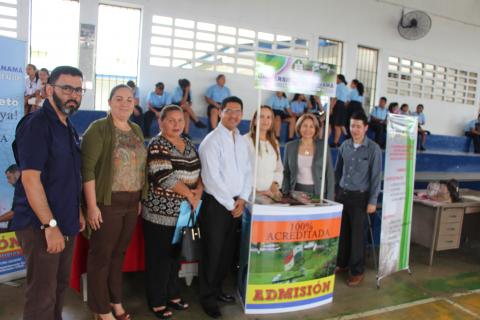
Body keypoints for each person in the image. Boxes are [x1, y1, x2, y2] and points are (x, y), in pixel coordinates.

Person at [11, 66, 86, 320]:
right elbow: (31, 180)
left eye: (78, 89)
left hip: (64, 221)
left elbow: (68, 176)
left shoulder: (68, 126)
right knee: (42, 295)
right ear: (48, 89)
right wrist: (50, 225)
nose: (73, 94)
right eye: (67, 88)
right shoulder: (36, 125)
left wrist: (75, 211)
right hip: (39, 225)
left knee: (58, 288)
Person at [82, 84, 147, 320]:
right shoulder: (98, 129)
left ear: (134, 103)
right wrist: (91, 206)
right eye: (119, 99)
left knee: (118, 255)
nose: (124, 103)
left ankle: (115, 300)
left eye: (129, 99)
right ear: (109, 102)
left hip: (132, 202)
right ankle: (101, 310)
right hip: (107, 202)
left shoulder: (137, 129)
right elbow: (87, 170)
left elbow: (140, 168)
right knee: (101, 257)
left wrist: (138, 198)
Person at [142, 105, 203, 319]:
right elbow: (165, 177)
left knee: (174, 258)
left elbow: (199, 172)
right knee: (159, 259)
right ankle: (157, 300)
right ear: (161, 122)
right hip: (160, 214)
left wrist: (199, 193)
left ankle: (172, 293)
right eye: (171, 121)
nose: (177, 124)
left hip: (183, 214)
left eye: (180, 120)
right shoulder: (158, 144)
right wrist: (190, 194)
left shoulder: (187, 143)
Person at [198, 96, 252, 318]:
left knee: (226, 253)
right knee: (212, 253)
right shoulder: (212, 141)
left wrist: (243, 199)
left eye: (238, 111)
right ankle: (207, 298)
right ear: (220, 112)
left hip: (236, 204)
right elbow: (210, 179)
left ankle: (218, 290)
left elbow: (248, 171)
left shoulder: (240, 139)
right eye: (229, 111)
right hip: (217, 207)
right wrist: (232, 204)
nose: (234, 115)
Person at [334, 111, 382, 287]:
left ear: (366, 128)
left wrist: (372, 201)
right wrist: (334, 193)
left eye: (358, 126)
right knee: (343, 233)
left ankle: (356, 271)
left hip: (360, 198)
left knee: (357, 237)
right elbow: (337, 170)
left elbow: (376, 177)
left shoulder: (373, 149)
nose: (355, 129)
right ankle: (342, 263)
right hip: (342, 195)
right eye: (352, 125)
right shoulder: (344, 145)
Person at [282, 113, 335, 200]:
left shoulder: (323, 146)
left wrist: (330, 199)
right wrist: (285, 193)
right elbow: (286, 173)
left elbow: (329, 174)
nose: (308, 129)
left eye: (311, 126)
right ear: (299, 127)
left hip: (318, 193)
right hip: (296, 192)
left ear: (315, 129)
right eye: (305, 126)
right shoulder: (290, 146)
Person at [244, 105, 283, 202]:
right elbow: (240, 170)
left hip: (270, 194)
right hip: (250, 195)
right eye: (261, 116)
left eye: (268, 117)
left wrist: (275, 184)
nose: (265, 120)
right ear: (254, 120)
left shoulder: (275, 142)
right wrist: (253, 190)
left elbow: (279, 169)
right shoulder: (245, 140)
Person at [331, 74, 349, 147]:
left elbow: (335, 98)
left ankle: (335, 142)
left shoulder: (338, 86)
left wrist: (331, 107)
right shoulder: (346, 88)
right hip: (343, 106)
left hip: (338, 105)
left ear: (340, 79)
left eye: (336, 78)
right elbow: (347, 101)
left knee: (336, 126)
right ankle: (337, 142)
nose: (335, 80)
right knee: (339, 125)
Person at [0, 165, 20, 232]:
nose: (8, 181)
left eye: (9, 177)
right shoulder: (18, 190)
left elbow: (15, 213)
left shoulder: (24, 190)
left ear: (17, 174)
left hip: (24, 230)